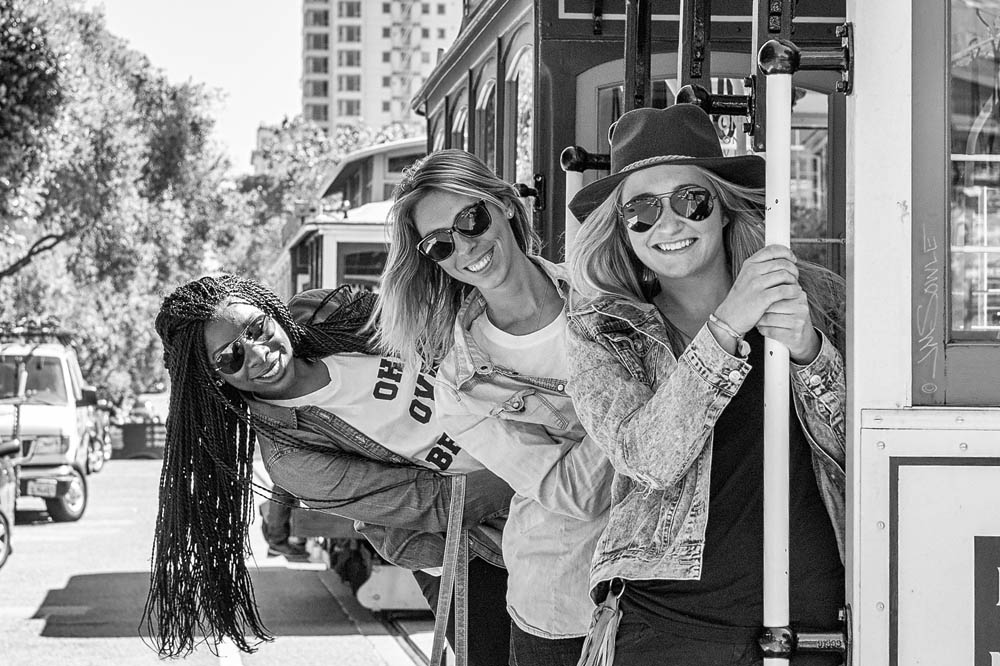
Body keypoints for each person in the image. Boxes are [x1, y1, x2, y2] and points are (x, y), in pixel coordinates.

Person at [565, 104, 846, 665]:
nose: (667, 224)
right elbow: (647, 458)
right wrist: (724, 328)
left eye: (691, 201)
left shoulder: (815, 299)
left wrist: (812, 354)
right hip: (670, 627)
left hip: (813, 618)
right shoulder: (602, 333)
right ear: (621, 229)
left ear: (722, 209)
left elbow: (867, 447)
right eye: (641, 210)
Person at [144, 275, 513, 664]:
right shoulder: (292, 460)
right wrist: (543, 468)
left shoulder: (321, 312)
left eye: (256, 328)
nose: (258, 354)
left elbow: (427, 321)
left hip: (524, 430)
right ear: (215, 379)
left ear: (272, 313)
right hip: (471, 549)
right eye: (230, 358)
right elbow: (438, 504)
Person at [375, 149, 615, 666]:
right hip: (563, 600)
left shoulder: (604, 290)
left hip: (667, 587)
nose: (465, 246)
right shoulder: (459, 390)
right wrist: (645, 403)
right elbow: (574, 492)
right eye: (440, 245)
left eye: (470, 219)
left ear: (504, 204)